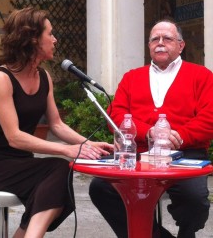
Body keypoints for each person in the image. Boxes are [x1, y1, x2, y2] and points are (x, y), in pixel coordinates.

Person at [0, 7, 113, 238]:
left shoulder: (44, 76)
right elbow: (14, 137)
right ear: (33, 38)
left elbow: (56, 125)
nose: (55, 39)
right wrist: (67, 149)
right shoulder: (0, 78)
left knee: (57, 176)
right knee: (58, 169)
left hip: (21, 163)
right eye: (50, 34)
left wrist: (90, 144)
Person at [89, 20, 213, 238]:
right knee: (100, 189)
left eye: (167, 38)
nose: (160, 43)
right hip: (138, 155)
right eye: (155, 39)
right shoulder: (131, 77)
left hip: (185, 154)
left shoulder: (202, 76)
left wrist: (178, 136)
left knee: (194, 200)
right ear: (149, 46)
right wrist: (147, 132)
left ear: (181, 45)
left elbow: (209, 117)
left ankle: (187, 232)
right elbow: (115, 115)